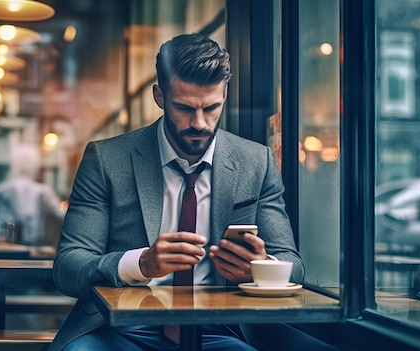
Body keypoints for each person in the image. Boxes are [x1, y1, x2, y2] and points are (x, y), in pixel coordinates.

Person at [51, 33, 304, 351]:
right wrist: (141, 263)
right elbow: (68, 268)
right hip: (120, 328)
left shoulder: (256, 162)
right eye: (184, 108)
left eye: (211, 108)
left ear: (224, 94)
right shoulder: (106, 160)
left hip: (219, 330)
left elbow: (293, 264)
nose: (199, 123)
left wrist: (259, 267)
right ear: (160, 96)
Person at [0, 144, 66, 246]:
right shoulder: (43, 191)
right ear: (34, 164)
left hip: (6, 244)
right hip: (35, 246)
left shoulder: (2, 189)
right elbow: (61, 214)